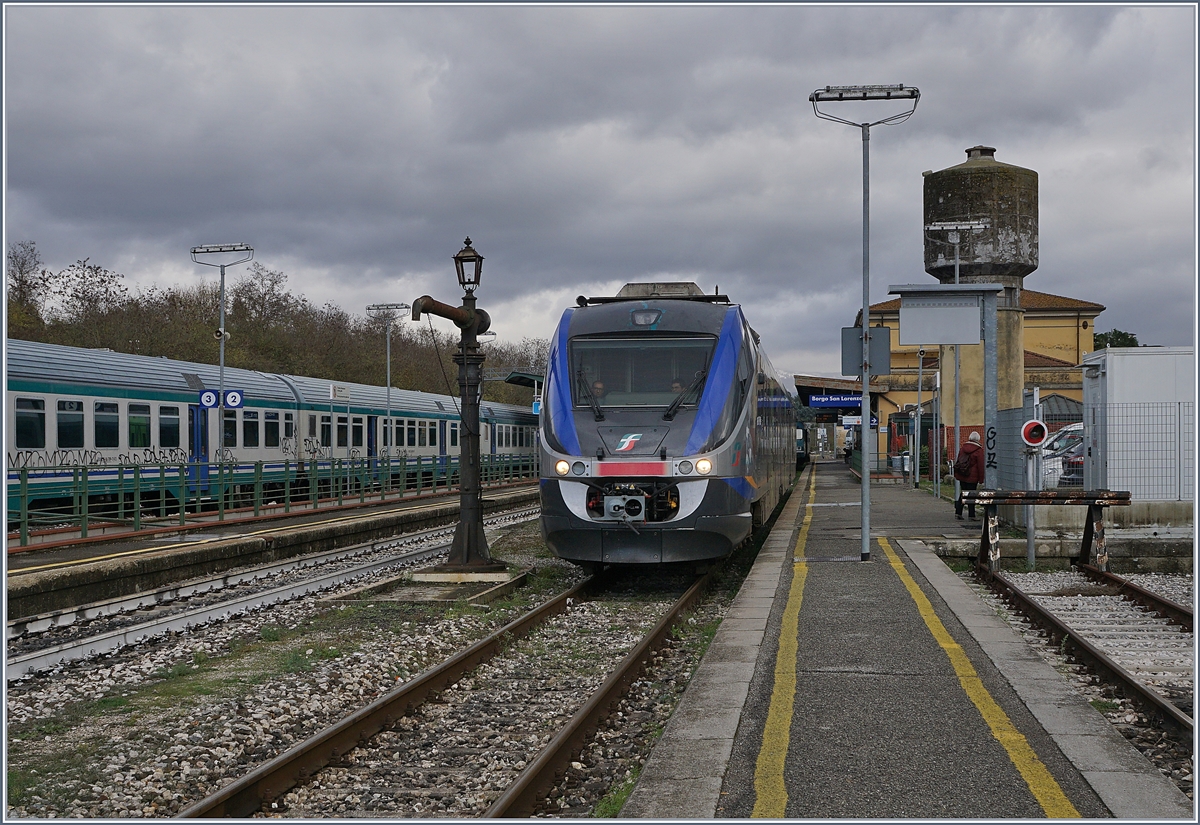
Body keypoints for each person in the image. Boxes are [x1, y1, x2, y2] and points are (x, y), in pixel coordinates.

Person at [954, 431, 985, 520]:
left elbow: (959, 461)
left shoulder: (963, 448)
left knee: (963, 493)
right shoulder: (979, 450)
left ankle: (958, 512)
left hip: (962, 474)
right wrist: (981, 479)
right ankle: (971, 515)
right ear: (978, 439)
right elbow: (980, 465)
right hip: (972, 477)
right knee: (972, 494)